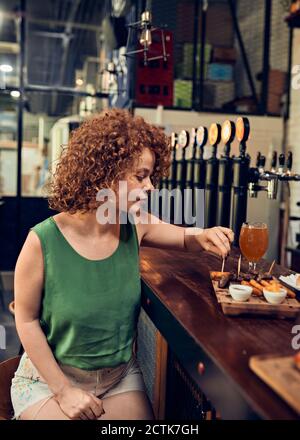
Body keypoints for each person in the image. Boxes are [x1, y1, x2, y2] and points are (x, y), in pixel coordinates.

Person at [11, 108, 234, 420]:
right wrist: (63, 391)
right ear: (103, 173)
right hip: (49, 380)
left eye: (151, 177)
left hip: (116, 379)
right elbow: (26, 321)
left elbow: (186, 237)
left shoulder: (134, 224)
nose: (151, 188)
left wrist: (204, 233)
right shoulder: (42, 241)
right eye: (140, 177)